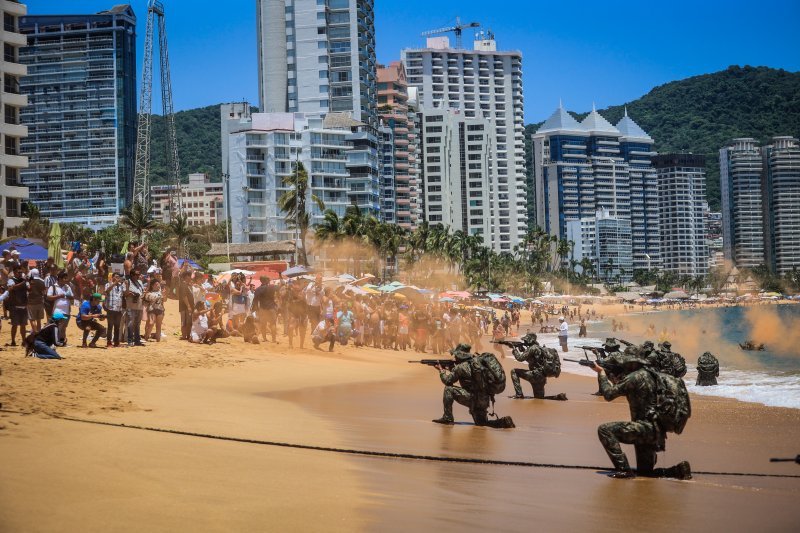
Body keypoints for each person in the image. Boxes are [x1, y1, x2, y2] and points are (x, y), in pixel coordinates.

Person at [591, 353, 692, 480]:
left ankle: (623, 470)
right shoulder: (654, 375)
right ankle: (678, 470)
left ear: (632, 363)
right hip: (656, 432)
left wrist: (601, 373)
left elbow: (608, 394)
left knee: (604, 430)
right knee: (645, 473)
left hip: (643, 429)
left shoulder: (635, 377)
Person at [431, 344, 514, 428]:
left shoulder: (460, 367)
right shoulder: (478, 363)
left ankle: (447, 417)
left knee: (448, 389)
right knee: (482, 423)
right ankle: (504, 422)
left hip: (472, 399)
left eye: (456, 355)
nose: (455, 357)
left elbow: (447, 381)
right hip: (484, 400)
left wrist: (441, 370)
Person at [510, 333, 567, 401]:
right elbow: (533, 361)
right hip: (541, 377)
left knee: (514, 372)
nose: (525, 342)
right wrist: (523, 350)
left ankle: (519, 394)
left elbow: (519, 358)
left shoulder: (532, 348)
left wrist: (514, 350)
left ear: (530, 340)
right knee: (539, 398)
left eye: (526, 340)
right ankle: (558, 397)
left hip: (534, 375)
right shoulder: (538, 348)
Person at [6, 264, 29, 347]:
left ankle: (23, 341)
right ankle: (13, 341)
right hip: (14, 306)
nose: (20, 273)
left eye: (20, 272)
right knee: (14, 325)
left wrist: (31, 282)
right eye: (18, 272)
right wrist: (24, 282)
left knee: (23, 326)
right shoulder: (11, 280)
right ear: (14, 272)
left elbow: (29, 289)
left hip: (23, 305)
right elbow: (12, 288)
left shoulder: (24, 280)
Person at [251, 276, 278, 343]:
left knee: (263, 324)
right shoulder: (272, 287)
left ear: (261, 281)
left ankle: (265, 339)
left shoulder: (258, 289)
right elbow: (280, 287)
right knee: (273, 324)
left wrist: (255, 309)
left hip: (263, 309)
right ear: (267, 281)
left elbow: (255, 300)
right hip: (272, 308)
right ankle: (274, 340)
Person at [124, 269, 145, 347]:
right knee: (130, 323)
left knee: (137, 324)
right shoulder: (127, 282)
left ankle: (137, 340)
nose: (138, 276)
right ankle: (130, 341)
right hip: (131, 306)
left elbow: (142, 292)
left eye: (139, 274)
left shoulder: (140, 282)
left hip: (139, 306)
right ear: (132, 275)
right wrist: (130, 292)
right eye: (136, 274)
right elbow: (125, 294)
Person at [104, 272, 125, 347]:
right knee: (110, 326)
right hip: (110, 309)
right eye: (116, 277)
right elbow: (106, 292)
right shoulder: (108, 284)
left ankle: (116, 342)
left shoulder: (121, 286)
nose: (117, 278)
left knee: (117, 327)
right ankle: (109, 342)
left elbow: (122, 296)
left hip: (118, 309)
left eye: (118, 277)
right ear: (112, 277)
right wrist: (114, 283)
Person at [27, 268, 46, 333]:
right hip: (40, 302)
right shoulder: (42, 281)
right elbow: (44, 292)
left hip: (31, 302)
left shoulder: (29, 281)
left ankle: (35, 333)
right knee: (39, 320)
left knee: (32, 319)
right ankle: (39, 332)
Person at [178, 271, 195, 341]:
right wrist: (188, 306)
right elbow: (184, 297)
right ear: (186, 277)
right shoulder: (183, 285)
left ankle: (187, 335)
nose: (190, 278)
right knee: (184, 322)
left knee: (189, 321)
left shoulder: (189, 285)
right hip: (184, 307)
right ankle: (184, 335)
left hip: (189, 306)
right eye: (189, 276)